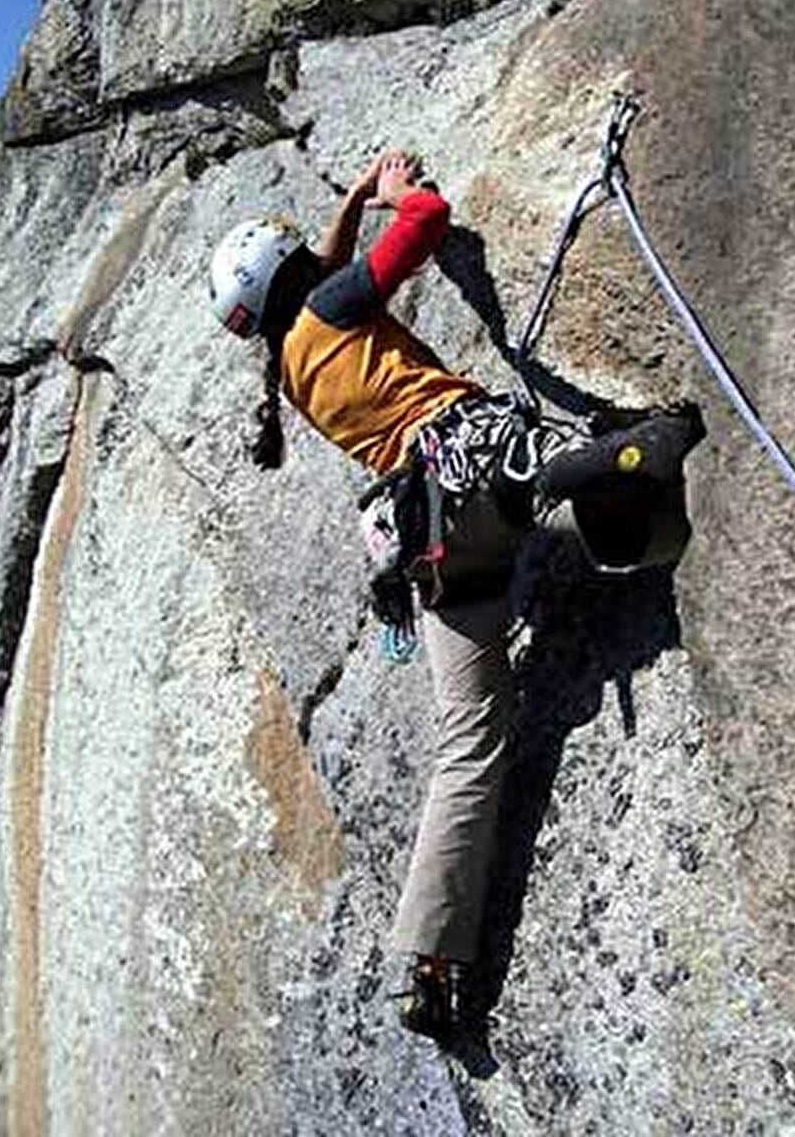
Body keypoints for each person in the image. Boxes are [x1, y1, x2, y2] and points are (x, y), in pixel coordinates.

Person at [209, 149, 703, 1044]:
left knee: (468, 741)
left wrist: (355, 197)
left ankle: (431, 959)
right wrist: (396, 197)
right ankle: (618, 459)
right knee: (528, 461)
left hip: (430, 544)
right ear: (292, 276)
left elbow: (322, 276)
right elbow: (427, 224)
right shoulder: (334, 306)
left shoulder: (293, 366)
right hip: (469, 463)